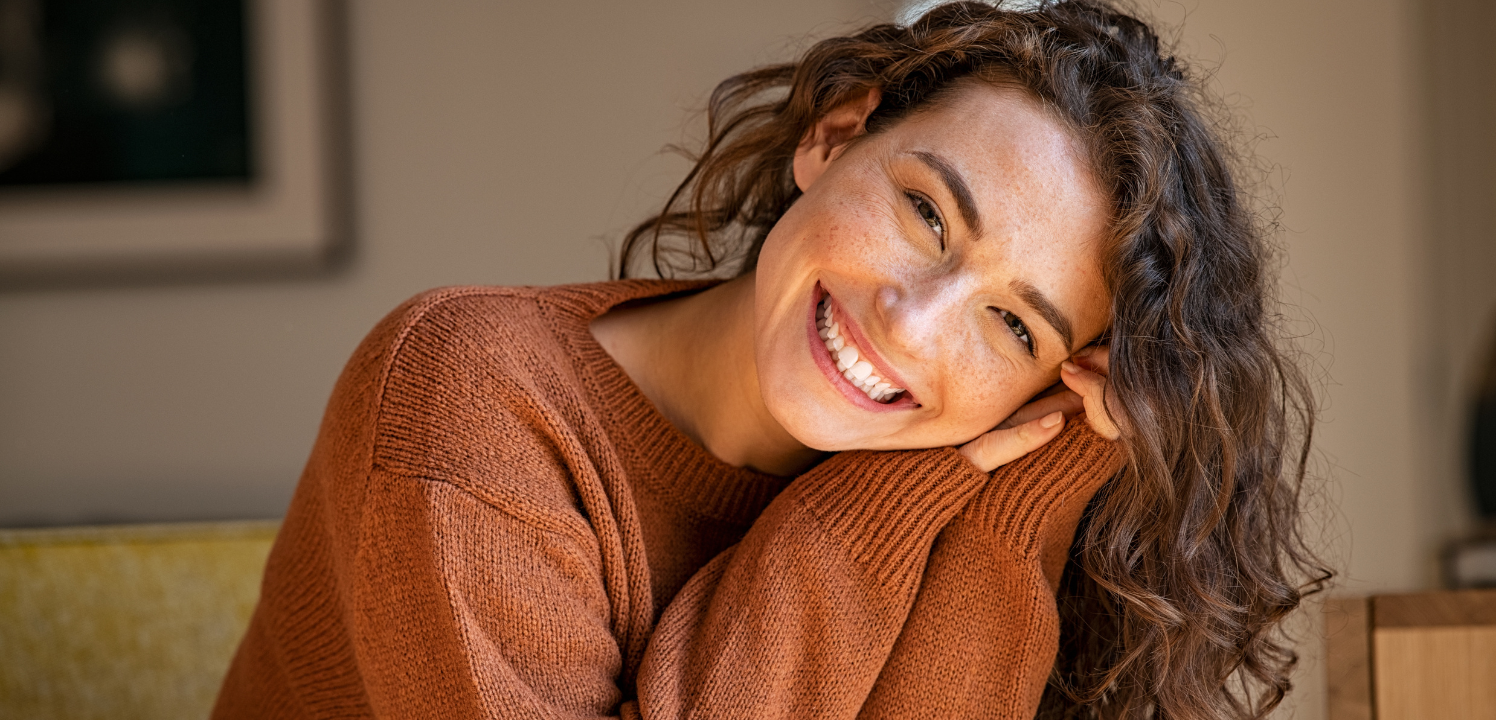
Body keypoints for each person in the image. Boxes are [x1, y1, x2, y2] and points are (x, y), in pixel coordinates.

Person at [214, 1, 1328, 718]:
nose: (912, 319)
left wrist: (1006, 493)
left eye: (1012, 326)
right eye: (928, 214)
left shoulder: (961, 480)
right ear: (832, 138)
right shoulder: (469, 395)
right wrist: (867, 513)